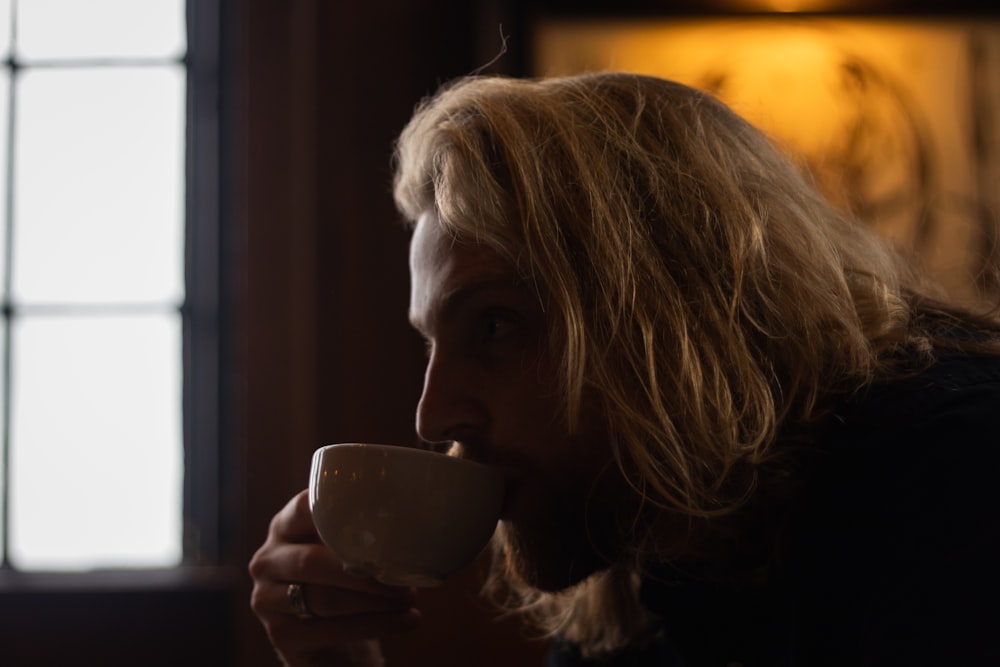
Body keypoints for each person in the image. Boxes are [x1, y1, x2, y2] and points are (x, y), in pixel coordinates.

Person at [249, 72, 1000, 666]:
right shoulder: (641, 550)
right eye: (431, 341)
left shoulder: (958, 475)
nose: (432, 415)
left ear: (672, 315)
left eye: (494, 325)